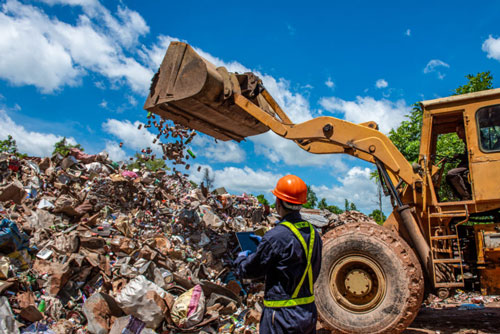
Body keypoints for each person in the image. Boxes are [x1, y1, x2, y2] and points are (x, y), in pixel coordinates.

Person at [235, 175, 322, 334]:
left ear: (278, 202)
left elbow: (250, 271)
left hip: (281, 317)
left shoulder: (275, 237)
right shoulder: (314, 233)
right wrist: (269, 247)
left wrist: (242, 259)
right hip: (308, 314)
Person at [446, 125, 471, 200]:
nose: (458, 133)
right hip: (468, 164)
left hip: (472, 164)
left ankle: (466, 196)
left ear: (465, 130)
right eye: (456, 132)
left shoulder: (470, 140)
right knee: (448, 177)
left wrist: (459, 156)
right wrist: (458, 156)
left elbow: (470, 156)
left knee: (452, 173)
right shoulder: (466, 141)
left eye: (459, 130)